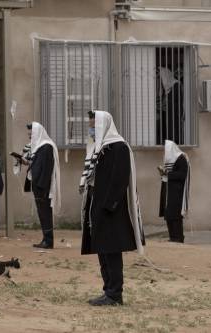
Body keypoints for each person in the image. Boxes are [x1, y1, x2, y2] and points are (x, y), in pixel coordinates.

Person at [80, 110, 145, 306]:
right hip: (96, 206)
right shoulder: (99, 148)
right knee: (102, 249)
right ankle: (107, 290)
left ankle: (115, 293)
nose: (91, 130)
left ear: (103, 126)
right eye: (90, 126)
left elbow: (120, 179)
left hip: (111, 210)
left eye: (94, 126)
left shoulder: (118, 147)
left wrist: (109, 205)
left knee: (112, 251)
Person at [17, 123, 61, 249]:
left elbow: (46, 169)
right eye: (29, 135)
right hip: (37, 185)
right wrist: (26, 162)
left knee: (45, 213)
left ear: (38, 134)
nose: (30, 137)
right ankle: (45, 239)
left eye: (32, 135)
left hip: (43, 187)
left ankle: (48, 241)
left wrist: (41, 187)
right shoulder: (38, 147)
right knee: (42, 213)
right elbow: (36, 165)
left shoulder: (46, 147)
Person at [158, 140, 190, 243]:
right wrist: (164, 173)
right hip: (168, 191)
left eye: (165, 149)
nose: (164, 152)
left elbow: (182, 175)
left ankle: (178, 238)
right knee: (168, 215)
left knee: (175, 215)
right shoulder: (170, 160)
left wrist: (169, 174)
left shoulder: (181, 159)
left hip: (176, 192)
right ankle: (172, 237)